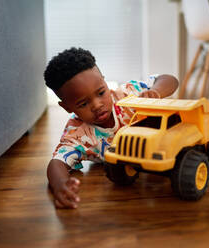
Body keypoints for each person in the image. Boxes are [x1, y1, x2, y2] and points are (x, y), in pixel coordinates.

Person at [44, 47, 178, 209]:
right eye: (83, 104)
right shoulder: (78, 135)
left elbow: (169, 79)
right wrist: (60, 185)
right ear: (66, 107)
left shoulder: (129, 93)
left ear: (104, 80)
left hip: (163, 147)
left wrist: (155, 91)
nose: (97, 105)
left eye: (101, 92)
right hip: (126, 179)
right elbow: (57, 163)